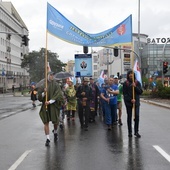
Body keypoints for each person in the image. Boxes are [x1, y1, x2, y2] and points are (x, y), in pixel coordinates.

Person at [38, 71, 64, 146]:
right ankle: (48, 138)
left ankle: (55, 132)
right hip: (45, 106)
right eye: (51, 75)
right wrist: (44, 93)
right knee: (46, 122)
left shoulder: (56, 85)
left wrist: (50, 102)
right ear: (48, 76)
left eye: (53, 75)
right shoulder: (43, 86)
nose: (52, 76)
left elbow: (58, 95)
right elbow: (39, 98)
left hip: (54, 106)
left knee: (55, 122)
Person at [123, 70, 143, 138]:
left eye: (132, 74)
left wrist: (135, 87)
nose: (131, 75)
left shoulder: (137, 83)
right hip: (129, 103)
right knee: (129, 116)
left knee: (136, 116)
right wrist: (130, 99)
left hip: (136, 102)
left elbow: (140, 92)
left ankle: (136, 131)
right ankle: (130, 132)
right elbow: (124, 94)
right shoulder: (125, 83)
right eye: (129, 74)